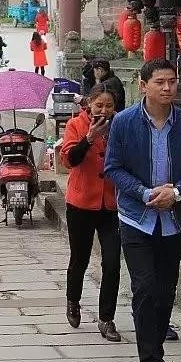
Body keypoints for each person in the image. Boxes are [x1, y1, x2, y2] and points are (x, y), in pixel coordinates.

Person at [105, 59, 181, 362]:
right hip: (137, 217)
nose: (167, 88)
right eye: (160, 82)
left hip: (173, 220)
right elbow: (113, 168)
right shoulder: (124, 122)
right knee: (145, 288)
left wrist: (175, 193)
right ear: (143, 84)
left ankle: (158, 356)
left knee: (164, 292)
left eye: (172, 81)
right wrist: (145, 193)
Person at [60, 84, 121, 341]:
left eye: (109, 106)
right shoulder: (76, 124)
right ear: (88, 104)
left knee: (112, 262)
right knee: (80, 258)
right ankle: (73, 300)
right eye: (99, 105)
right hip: (81, 203)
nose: (103, 110)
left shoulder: (120, 125)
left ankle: (106, 318)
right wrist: (89, 138)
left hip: (111, 204)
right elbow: (69, 160)